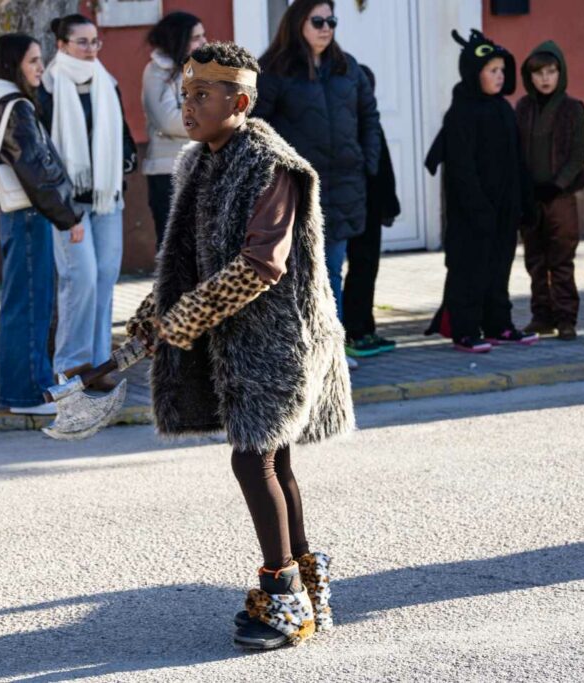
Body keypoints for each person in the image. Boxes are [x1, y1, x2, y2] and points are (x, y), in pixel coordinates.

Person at [126, 42, 353, 650]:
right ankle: (306, 582)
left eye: (204, 95)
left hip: (280, 339)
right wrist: (155, 314)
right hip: (236, 339)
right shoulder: (200, 161)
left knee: (253, 457)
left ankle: (282, 598)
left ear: (241, 101)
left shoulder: (271, 165)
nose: (189, 106)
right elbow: (185, 258)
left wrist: (189, 317)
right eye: (186, 94)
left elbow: (260, 266)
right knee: (272, 457)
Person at [252, 0, 381, 365]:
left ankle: (330, 352)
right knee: (292, 276)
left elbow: (369, 117)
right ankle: (290, 352)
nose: (326, 28)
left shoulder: (347, 67)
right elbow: (256, 126)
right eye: (318, 21)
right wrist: (276, 174)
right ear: (298, 23)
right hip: (296, 189)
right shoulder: (275, 69)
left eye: (332, 21)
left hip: (343, 186)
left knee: (331, 271)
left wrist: (365, 161)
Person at [0, 34, 83, 416]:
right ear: (13, 64)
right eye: (32, 60)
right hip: (29, 214)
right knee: (30, 304)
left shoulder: (3, 104)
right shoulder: (14, 107)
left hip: (19, 215)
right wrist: (68, 217)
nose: (39, 67)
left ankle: (33, 384)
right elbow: (34, 167)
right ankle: (28, 393)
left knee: (24, 302)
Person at [40, 14, 138, 388]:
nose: (91, 49)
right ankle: (70, 364)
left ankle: (98, 366)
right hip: (69, 203)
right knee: (80, 277)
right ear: (62, 45)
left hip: (106, 195)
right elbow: (43, 147)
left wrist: (125, 159)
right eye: (82, 42)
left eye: (95, 41)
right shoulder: (48, 86)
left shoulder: (105, 81)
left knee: (105, 275)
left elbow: (123, 133)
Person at [424, 29, 535, 353]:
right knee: (468, 270)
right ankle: (465, 329)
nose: (499, 77)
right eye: (492, 71)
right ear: (474, 73)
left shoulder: (503, 109)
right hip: (471, 213)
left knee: (499, 268)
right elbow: (461, 169)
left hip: (503, 209)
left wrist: (523, 201)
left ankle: (499, 323)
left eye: (502, 71)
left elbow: (517, 159)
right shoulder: (461, 112)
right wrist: (477, 207)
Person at [516, 42, 584, 342]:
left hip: (560, 196)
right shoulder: (523, 108)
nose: (545, 78)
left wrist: (556, 185)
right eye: (538, 73)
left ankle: (566, 318)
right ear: (529, 76)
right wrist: (525, 187)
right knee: (535, 258)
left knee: (561, 258)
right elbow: (516, 151)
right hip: (531, 197)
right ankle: (541, 316)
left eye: (551, 71)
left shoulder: (572, 108)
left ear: (560, 73)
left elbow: (578, 154)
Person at [342, 64, 402, 358]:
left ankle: (365, 327)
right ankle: (353, 331)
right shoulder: (344, 124)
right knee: (352, 269)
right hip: (349, 207)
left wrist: (389, 206)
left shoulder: (370, 124)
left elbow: (384, 170)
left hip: (371, 208)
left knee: (366, 269)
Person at [142, 11, 207, 251]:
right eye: (196, 37)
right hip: (168, 170)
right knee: (175, 251)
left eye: (204, 35)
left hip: (204, 166)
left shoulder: (203, 70)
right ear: (178, 40)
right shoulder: (156, 71)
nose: (203, 42)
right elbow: (168, 120)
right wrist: (211, 122)